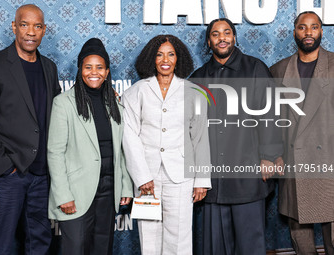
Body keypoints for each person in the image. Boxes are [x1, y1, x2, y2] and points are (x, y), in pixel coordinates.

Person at [190, 18, 283, 255]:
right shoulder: (198, 78)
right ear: (208, 42)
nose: (222, 38)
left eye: (227, 32)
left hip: (248, 173)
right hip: (214, 179)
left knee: (250, 243)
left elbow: (271, 113)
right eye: (215, 34)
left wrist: (269, 156)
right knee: (216, 247)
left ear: (234, 37)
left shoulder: (255, 69)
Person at [122, 34, 211, 255]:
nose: (165, 59)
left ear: (178, 58)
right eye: (160, 54)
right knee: (149, 238)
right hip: (147, 177)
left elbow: (200, 138)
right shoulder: (137, 91)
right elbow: (129, 135)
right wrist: (142, 177)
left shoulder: (194, 92)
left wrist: (201, 179)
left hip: (180, 175)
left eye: (171, 54)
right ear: (151, 58)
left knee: (179, 237)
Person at [47, 38, 133, 255]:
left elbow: (121, 150)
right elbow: (55, 152)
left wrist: (125, 186)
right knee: (75, 249)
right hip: (76, 192)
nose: (93, 72)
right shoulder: (64, 103)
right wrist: (62, 194)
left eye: (99, 67)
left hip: (108, 191)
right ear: (80, 70)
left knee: (102, 249)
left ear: (107, 72)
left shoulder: (114, 104)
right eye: (88, 67)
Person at [0, 4, 61, 254]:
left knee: (39, 242)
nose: (30, 32)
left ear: (44, 30)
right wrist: (4, 167)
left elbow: (58, 113)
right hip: (9, 175)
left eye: (37, 26)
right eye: (24, 25)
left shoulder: (49, 68)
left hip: (42, 175)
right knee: (2, 244)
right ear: (14, 27)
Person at [270, 11, 334, 255]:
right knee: (301, 239)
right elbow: (271, 121)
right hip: (294, 162)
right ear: (294, 31)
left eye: (314, 27)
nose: (308, 33)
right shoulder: (278, 70)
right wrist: (275, 153)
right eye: (302, 27)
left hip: (330, 161)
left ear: (321, 31)